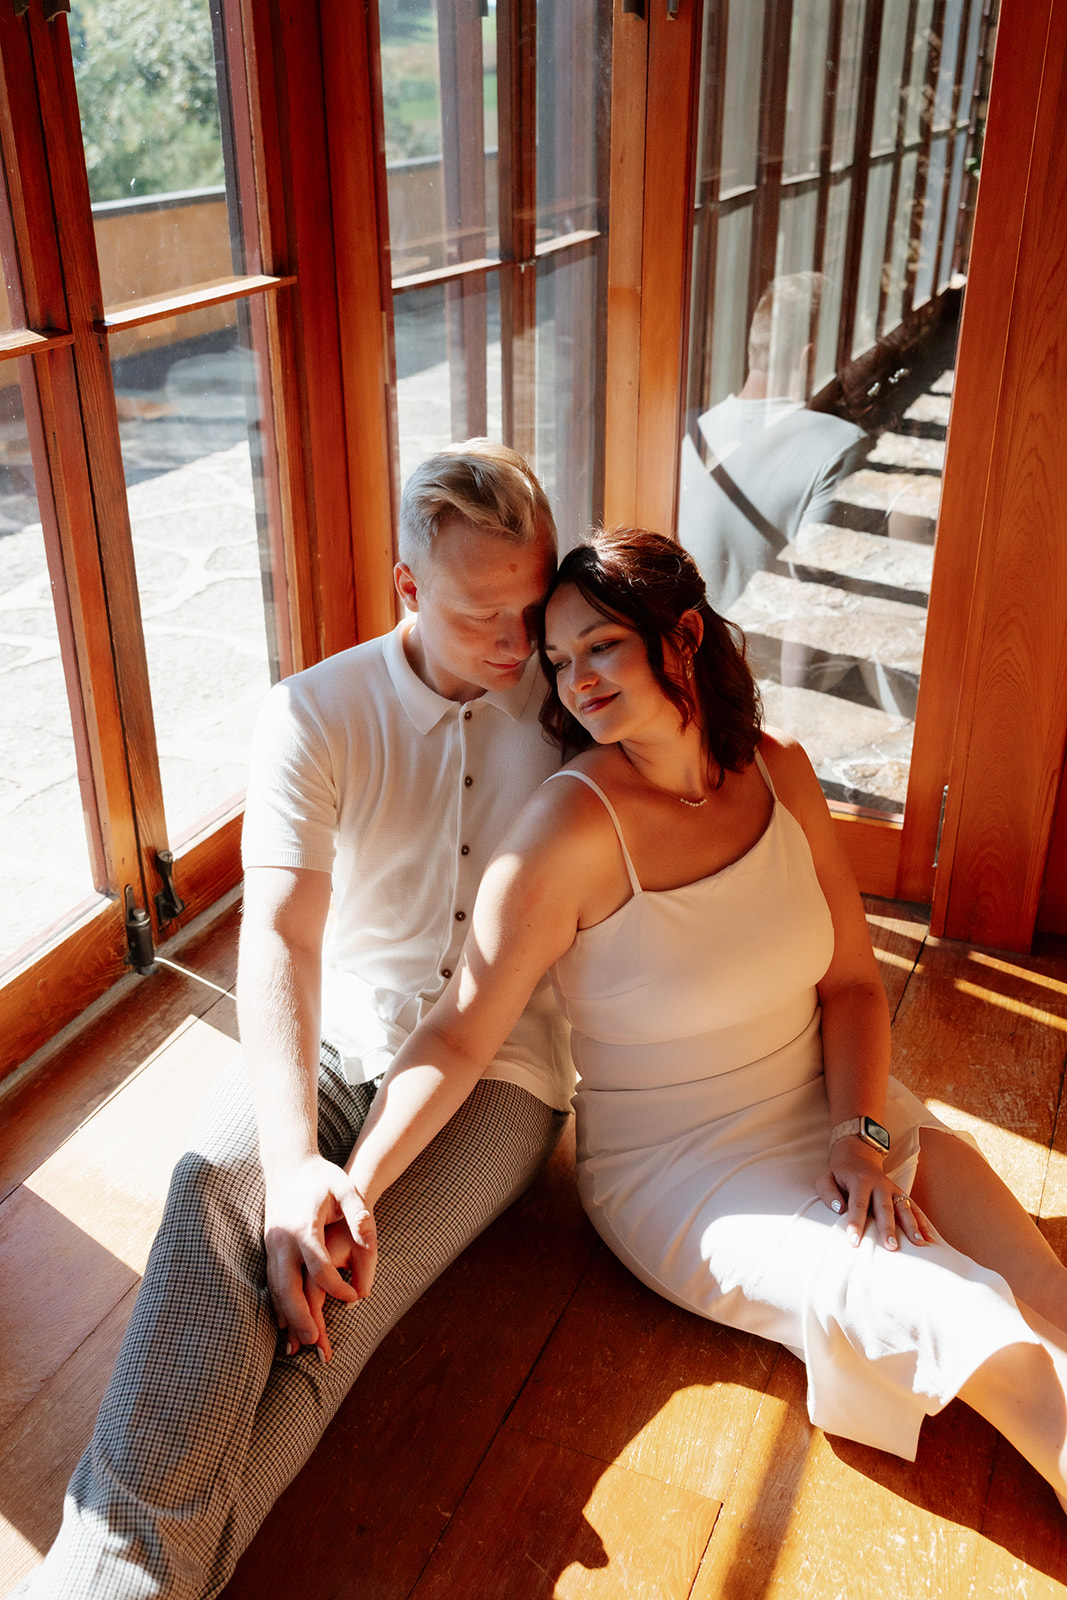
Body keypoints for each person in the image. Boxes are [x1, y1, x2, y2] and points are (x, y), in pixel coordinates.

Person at [333, 527, 1067, 1506]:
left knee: (1042, 1287)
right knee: (949, 1307)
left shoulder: (779, 769)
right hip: (685, 1171)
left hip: (836, 1100)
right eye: (557, 661)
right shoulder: (565, 829)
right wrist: (355, 1185)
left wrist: (858, 1137)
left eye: (600, 645)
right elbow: (460, 1028)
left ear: (680, 636)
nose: (575, 679)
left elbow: (851, 986)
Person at [16, 440, 574, 1600]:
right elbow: (279, 942)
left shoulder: (569, 705)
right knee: (209, 1191)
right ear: (406, 589)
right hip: (328, 1039)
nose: (519, 646)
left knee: (331, 1313)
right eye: (483, 616)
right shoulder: (312, 713)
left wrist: (343, 1189)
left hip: (500, 1077)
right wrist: (287, 1169)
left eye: (531, 606)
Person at [677, 271, 869, 616]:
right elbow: (819, 591)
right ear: (810, 359)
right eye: (846, 355)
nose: (849, 368)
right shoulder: (841, 444)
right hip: (770, 661)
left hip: (690, 657)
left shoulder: (690, 432)